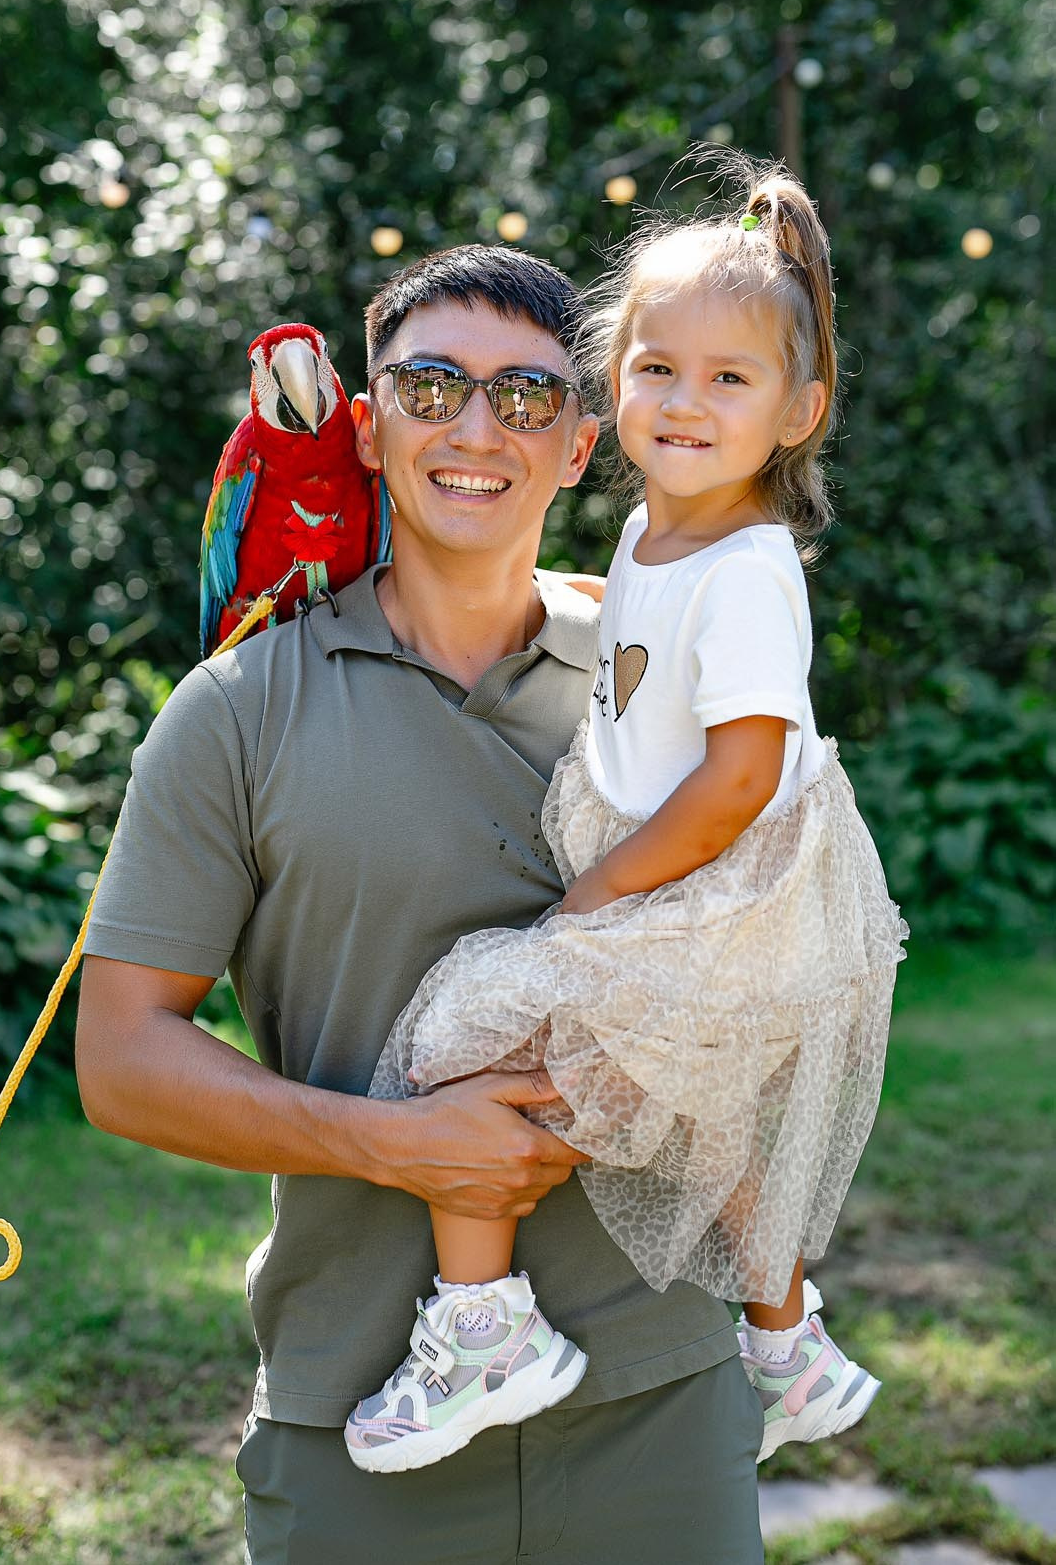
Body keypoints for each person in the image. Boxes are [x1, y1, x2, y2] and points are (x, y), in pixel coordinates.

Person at [75, 242, 767, 1565]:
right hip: (360, 1412)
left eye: (524, 396)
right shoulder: (235, 711)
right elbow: (119, 1065)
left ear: (580, 441)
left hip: (659, 1395)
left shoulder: (675, 678)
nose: (472, 428)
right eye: (431, 385)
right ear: (368, 421)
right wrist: (392, 1143)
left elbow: (768, 964)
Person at [346, 161, 908, 1476]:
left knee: (467, 1029)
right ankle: (790, 1347)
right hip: (684, 873)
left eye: (730, 379)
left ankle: (486, 1330)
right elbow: (641, 633)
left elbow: (735, 777)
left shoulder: (749, 569)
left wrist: (592, 902)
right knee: (698, 1118)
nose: (685, 401)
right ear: (617, 383)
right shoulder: (664, 533)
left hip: (711, 884)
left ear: (796, 409)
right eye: (658, 368)